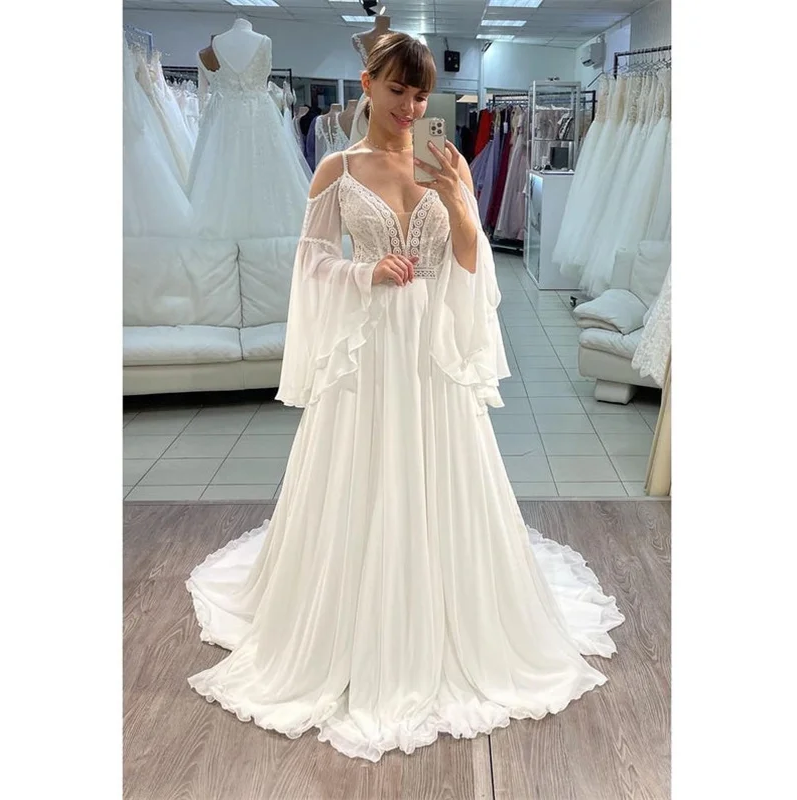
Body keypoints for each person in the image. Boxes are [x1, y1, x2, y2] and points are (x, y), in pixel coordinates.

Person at [185, 33, 624, 763]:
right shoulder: (337, 168)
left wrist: (458, 203)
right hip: (368, 351)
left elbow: (471, 265)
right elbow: (310, 263)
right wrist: (364, 274)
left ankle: (449, 610)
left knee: (441, 475)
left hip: (429, 353)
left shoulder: (447, 162)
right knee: (363, 476)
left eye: (421, 95)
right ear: (368, 84)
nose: (412, 107)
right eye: (398, 91)